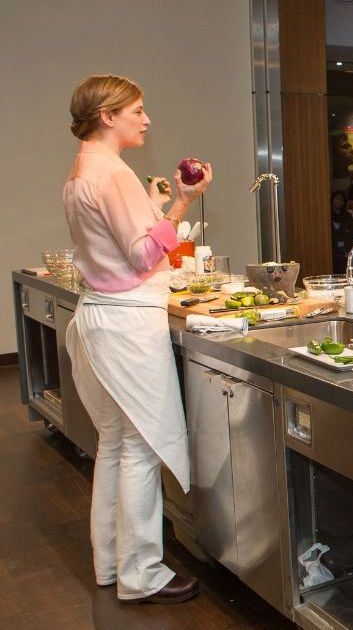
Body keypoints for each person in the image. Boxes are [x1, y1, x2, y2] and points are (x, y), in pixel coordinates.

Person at [63, 74, 211, 604]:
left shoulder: (82, 171)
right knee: (144, 448)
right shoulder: (113, 173)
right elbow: (144, 256)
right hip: (128, 323)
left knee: (117, 445)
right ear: (108, 115)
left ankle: (112, 563)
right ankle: (143, 572)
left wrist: (151, 205)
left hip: (100, 317)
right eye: (137, 110)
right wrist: (181, 205)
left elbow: (119, 241)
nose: (146, 119)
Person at [331, 190, 353, 273]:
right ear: (332, 200)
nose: (339, 201)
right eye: (337, 198)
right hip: (332, 251)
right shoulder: (327, 215)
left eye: (342, 199)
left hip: (346, 250)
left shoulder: (347, 215)